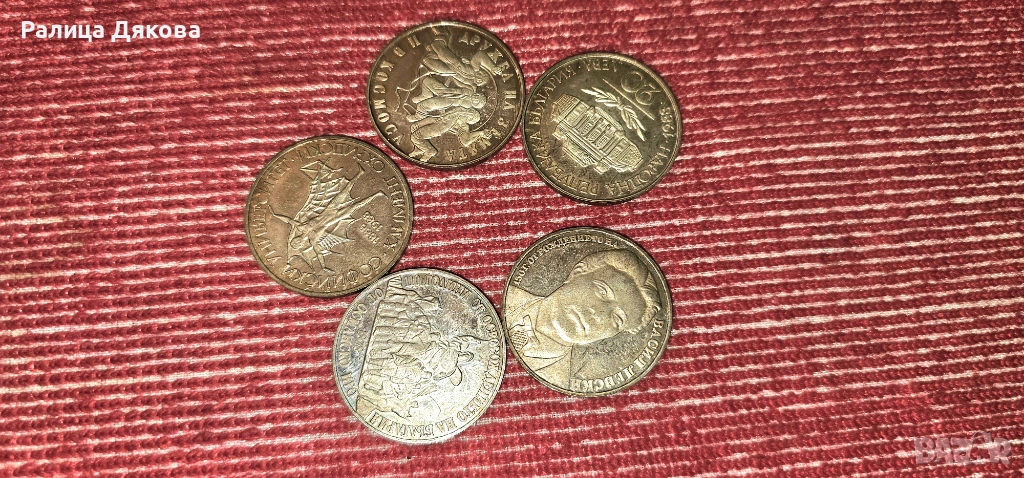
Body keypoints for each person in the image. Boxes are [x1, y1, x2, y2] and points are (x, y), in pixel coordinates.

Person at [505, 249, 661, 388]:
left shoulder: (561, 380)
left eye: (617, 319)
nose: (598, 314)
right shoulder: (509, 296)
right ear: (577, 272)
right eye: (602, 292)